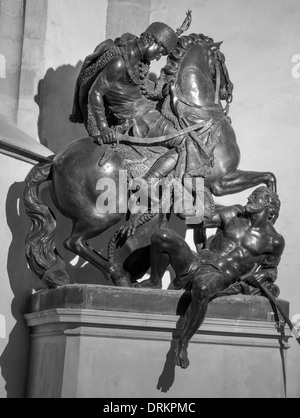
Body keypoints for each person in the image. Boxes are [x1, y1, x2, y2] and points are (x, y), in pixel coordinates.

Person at [138, 186, 285, 369]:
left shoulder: (274, 241)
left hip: (221, 275)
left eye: (255, 196)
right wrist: (181, 207)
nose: (249, 197)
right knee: (163, 236)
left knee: (203, 288)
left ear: (268, 206)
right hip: (197, 262)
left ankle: (183, 343)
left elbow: (272, 271)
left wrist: (262, 275)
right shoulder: (233, 214)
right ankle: (155, 281)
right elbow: (199, 221)